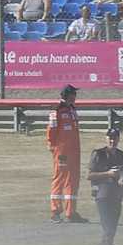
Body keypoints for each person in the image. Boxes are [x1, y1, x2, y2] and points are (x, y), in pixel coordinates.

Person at [87, 123, 123, 245]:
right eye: (110, 138)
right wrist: (108, 174)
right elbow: (90, 175)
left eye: (115, 138)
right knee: (108, 230)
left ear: (118, 139)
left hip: (117, 196)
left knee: (111, 231)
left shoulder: (122, 155)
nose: (112, 141)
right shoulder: (98, 153)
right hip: (102, 196)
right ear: (106, 139)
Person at [46, 84, 85, 222]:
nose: (75, 97)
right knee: (60, 178)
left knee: (73, 180)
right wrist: (52, 145)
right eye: (74, 94)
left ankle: (71, 212)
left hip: (74, 150)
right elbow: (51, 131)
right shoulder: (57, 110)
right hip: (62, 151)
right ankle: (55, 212)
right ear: (67, 95)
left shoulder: (72, 110)